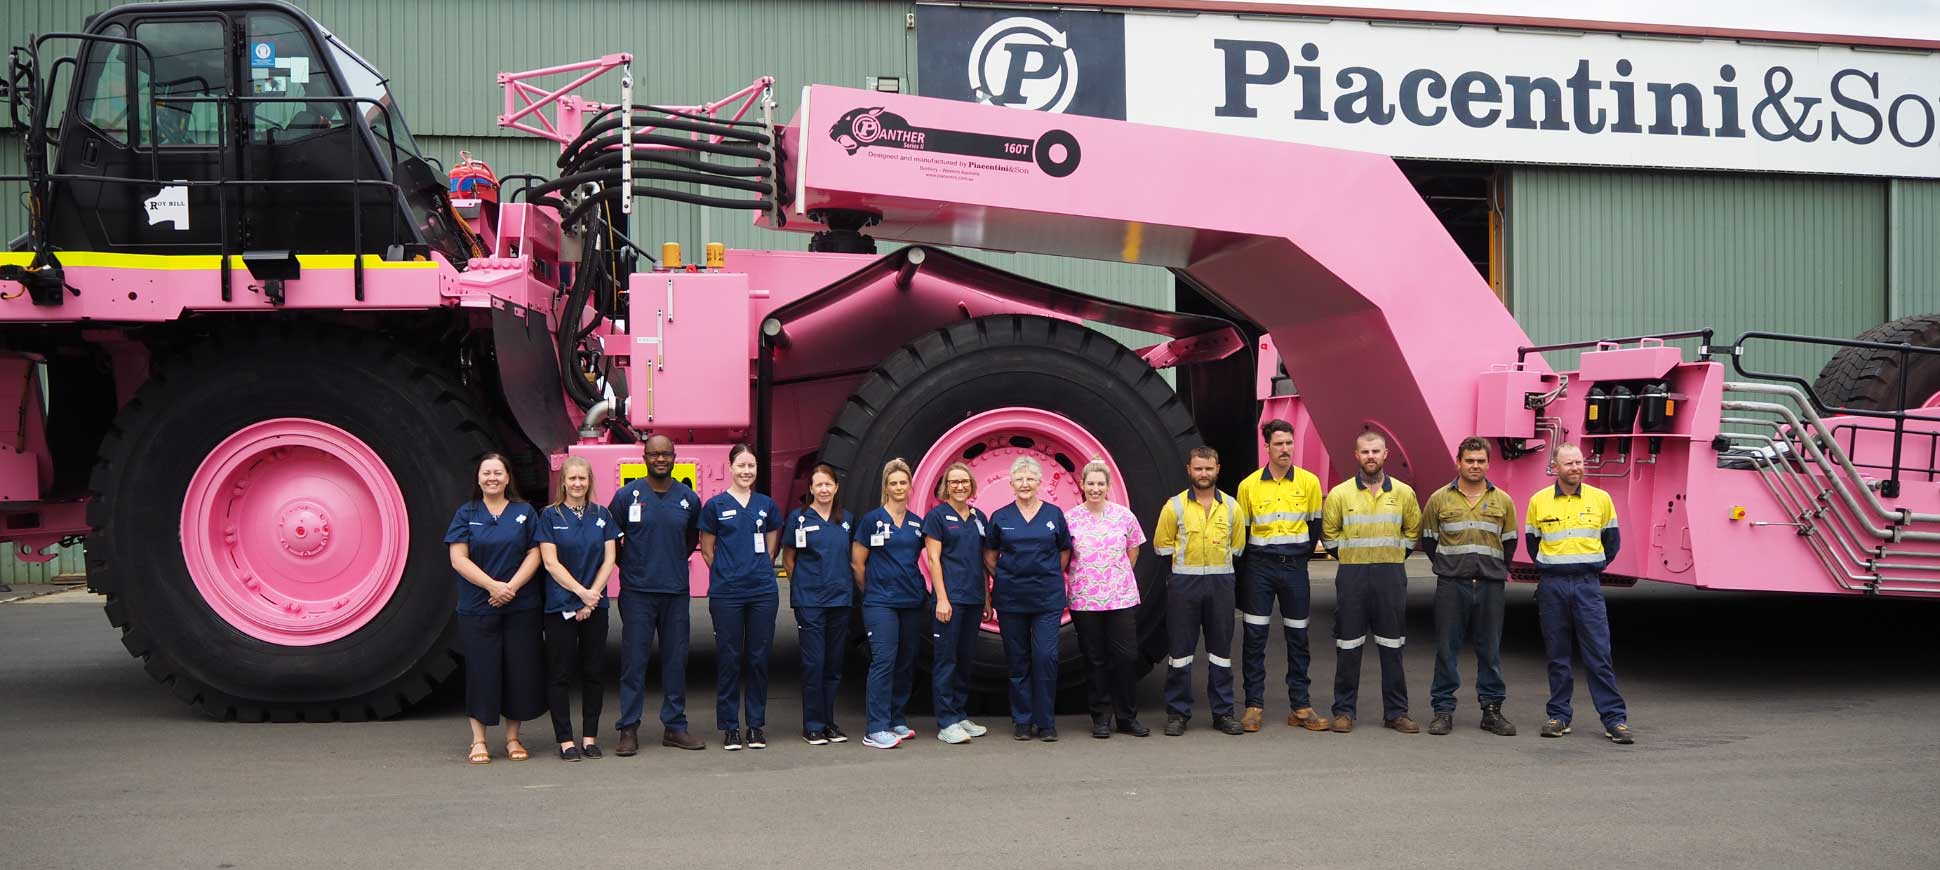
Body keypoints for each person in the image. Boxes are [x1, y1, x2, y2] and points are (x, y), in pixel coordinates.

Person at [1525, 442, 1635, 744]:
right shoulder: (1539, 501)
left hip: (1587, 584)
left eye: (1579, 462)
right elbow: (1533, 544)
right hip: (1553, 586)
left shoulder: (1601, 499)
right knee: (1558, 655)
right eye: (1569, 463)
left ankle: (1615, 719)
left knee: (1599, 654)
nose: (1575, 468)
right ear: (1556, 467)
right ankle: (1559, 716)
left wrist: (1589, 566)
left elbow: (1611, 543)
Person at [608, 434, 707, 756]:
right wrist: (631, 566)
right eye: (654, 454)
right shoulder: (627, 495)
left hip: (675, 591)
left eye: (666, 454)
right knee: (633, 663)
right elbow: (612, 536)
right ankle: (628, 728)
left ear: (675, 457)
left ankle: (675, 727)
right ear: (645, 457)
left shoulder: (688, 498)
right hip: (637, 592)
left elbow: (692, 536)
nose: (660, 459)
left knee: (676, 661)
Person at [1321, 431, 1423, 734]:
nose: (1370, 457)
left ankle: (1396, 712)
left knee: (1392, 645)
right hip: (1352, 576)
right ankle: (1343, 711)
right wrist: (1350, 556)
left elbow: (1412, 531)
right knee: (1348, 645)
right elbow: (1329, 535)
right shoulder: (1340, 494)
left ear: (1385, 454)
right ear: (1356, 456)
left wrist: (1393, 554)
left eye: (1375, 451)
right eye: (1365, 452)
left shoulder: (1403, 493)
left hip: (1390, 575)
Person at [445, 454, 544, 764]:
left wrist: (511, 587)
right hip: (478, 607)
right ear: (478, 479)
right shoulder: (466, 513)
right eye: (486, 473)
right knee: (481, 671)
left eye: (497, 472)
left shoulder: (524, 512)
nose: (492, 478)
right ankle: (479, 740)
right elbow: (458, 558)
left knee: (518, 670)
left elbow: (536, 553)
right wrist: (492, 586)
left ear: (507, 478)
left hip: (520, 606)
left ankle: (513, 739)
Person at [1418, 437, 1519, 737]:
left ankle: (1491, 710)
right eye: (1469, 460)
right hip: (1452, 584)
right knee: (1447, 649)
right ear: (1458, 463)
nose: (1475, 466)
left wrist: (1493, 570)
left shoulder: (1503, 500)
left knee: (1490, 649)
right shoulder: (1439, 499)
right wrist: (1452, 568)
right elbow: (1429, 541)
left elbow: (1510, 542)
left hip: (1490, 585)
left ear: (1488, 464)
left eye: (1480, 461)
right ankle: (1443, 710)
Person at [1234, 418, 1330, 734]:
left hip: (1295, 568)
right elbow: (1244, 534)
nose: (1285, 449)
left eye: (1289, 443)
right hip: (1259, 569)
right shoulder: (1247, 486)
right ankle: (1253, 707)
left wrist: (1299, 556)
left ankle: (1300, 706)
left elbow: (1315, 526)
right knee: (1255, 638)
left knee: (1298, 636)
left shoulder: (1310, 483)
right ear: (1267, 447)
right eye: (1279, 443)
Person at [1151, 446, 1247, 737]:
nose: (1203, 474)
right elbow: (1161, 545)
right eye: (1198, 468)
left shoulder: (1232, 507)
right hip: (1184, 587)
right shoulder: (1174, 506)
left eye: (1208, 468)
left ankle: (1223, 713)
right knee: (1180, 652)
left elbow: (1238, 546)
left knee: (1220, 653)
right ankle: (1177, 713)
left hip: (1220, 586)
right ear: (1189, 470)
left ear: (1218, 469)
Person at [698, 444, 783, 751]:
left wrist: (755, 568)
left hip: (762, 591)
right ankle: (731, 727)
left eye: (752, 466)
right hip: (727, 593)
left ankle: (756, 725)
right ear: (730, 467)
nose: (746, 471)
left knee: (759, 658)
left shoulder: (766, 505)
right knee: (730, 658)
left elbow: (772, 546)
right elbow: (707, 549)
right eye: (741, 465)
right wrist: (727, 571)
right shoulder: (715, 506)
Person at [536, 456, 620, 761]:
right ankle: (565, 740)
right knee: (560, 673)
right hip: (560, 606)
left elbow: (609, 559)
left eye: (582, 478)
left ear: (589, 481)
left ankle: (589, 737)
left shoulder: (602, 515)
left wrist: (592, 596)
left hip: (594, 605)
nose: (577, 483)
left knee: (593, 672)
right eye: (572, 478)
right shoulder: (549, 516)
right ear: (563, 482)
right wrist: (581, 594)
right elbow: (550, 563)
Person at [984, 456, 1074, 742]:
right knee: (1018, 659)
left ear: (1039, 482)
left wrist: (1046, 574)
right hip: (1010, 598)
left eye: (1030, 478)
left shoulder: (1054, 515)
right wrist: (1008, 576)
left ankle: (1046, 721)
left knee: (1046, 657)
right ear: (1011, 484)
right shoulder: (1000, 516)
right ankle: (1022, 720)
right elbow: (989, 555)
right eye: (1019, 479)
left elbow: (1064, 551)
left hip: (1047, 597)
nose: (1025, 483)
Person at [1065, 459, 1150, 738]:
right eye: (1091, 483)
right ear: (1082, 485)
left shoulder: (1124, 516)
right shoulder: (1070, 518)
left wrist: (1115, 576)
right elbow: (1065, 557)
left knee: (1126, 656)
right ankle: (1101, 718)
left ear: (1108, 486)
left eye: (1101, 484)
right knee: (1095, 659)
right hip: (1085, 599)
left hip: (1119, 598)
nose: (1095, 488)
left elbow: (1133, 549)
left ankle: (1127, 717)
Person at [852, 458, 926, 749]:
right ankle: (876, 727)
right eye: (893, 483)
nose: (898, 487)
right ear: (886, 487)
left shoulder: (917, 524)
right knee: (884, 660)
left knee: (906, 662)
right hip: (880, 602)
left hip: (911, 601)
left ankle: (896, 718)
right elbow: (858, 563)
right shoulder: (872, 520)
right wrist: (871, 592)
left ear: (910, 486)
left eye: (902, 482)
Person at [782, 464, 855, 745]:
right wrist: (800, 586)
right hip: (810, 601)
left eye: (828, 485)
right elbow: (789, 558)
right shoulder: (798, 519)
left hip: (840, 600)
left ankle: (829, 722)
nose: (823, 490)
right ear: (811, 489)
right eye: (818, 485)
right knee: (814, 663)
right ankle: (812, 724)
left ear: (836, 488)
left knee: (834, 665)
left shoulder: (846, 520)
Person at [923, 462, 993, 745]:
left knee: (965, 659)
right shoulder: (937, 517)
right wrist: (941, 597)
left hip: (974, 598)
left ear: (971, 485)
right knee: (946, 660)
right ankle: (946, 721)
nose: (960, 486)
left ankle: (960, 713)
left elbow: (983, 561)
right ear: (945, 487)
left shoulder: (980, 518)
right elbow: (933, 559)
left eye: (964, 481)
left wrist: (987, 597)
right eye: (954, 482)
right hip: (949, 601)